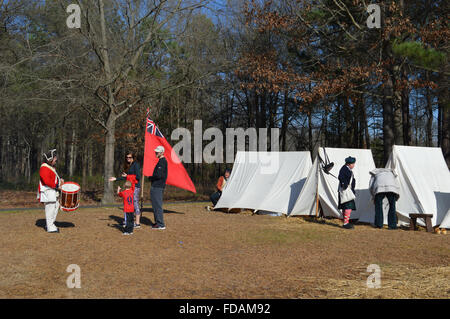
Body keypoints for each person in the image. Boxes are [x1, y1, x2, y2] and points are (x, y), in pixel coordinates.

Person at [109, 151, 142, 229]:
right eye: (127, 157)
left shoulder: (136, 165)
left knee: (135, 202)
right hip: (129, 187)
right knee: (128, 203)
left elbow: (138, 177)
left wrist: (128, 176)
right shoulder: (129, 165)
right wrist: (116, 178)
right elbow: (126, 177)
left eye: (130, 157)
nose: (128, 159)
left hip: (135, 186)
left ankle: (137, 223)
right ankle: (128, 221)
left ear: (133, 158)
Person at [37, 149, 64, 233]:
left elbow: (53, 179)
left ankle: (50, 224)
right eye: (54, 158)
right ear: (50, 159)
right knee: (50, 209)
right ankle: (50, 227)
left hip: (52, 191)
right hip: (48, 191)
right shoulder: (44, 167)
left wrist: (60, 181)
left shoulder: (51, 167)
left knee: (55, 207)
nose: (56, 159)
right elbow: (47, 181)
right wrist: (57, 186)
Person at [149, 145, 168, 230]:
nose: (155, 153)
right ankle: (158, 222)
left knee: (157, 205)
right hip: (156, 185)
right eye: (156, 151)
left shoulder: (162, 162)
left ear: (162, 152)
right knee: (155, 205)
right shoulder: (161, 161)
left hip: (157, 186)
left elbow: (159, 175)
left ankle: (160, 224)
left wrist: (150, 177)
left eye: (157, 152)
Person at [338, 156, 356, 229]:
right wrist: (344, 185)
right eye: (353, 164)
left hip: (347, 190)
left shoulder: (347, 169)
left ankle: (346, 222)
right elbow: (341, 177)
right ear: (349, 164)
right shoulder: (344, 169)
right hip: (345, 190)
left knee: (346, 207)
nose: (354, 165)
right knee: (347, 206)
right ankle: (346, 223)